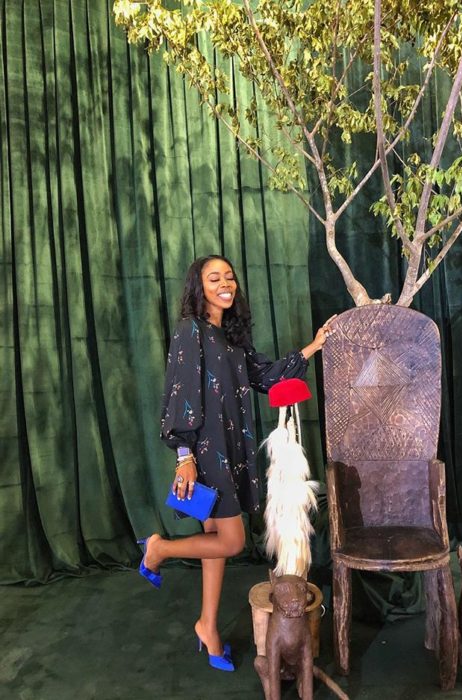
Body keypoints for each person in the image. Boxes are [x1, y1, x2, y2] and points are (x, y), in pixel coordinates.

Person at [137, 254, 335, 671]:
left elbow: (267, 377)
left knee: (216, 546)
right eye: (214, 278)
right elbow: (180, 392)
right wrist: (184, 456)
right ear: (199, 287)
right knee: (231, 542)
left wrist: (314, 346)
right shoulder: (190, 330)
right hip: (205, 453)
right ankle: (159, 549)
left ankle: (208, 627)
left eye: (229, 277)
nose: (225, 284)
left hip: (230, 450)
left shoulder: (231, 337)